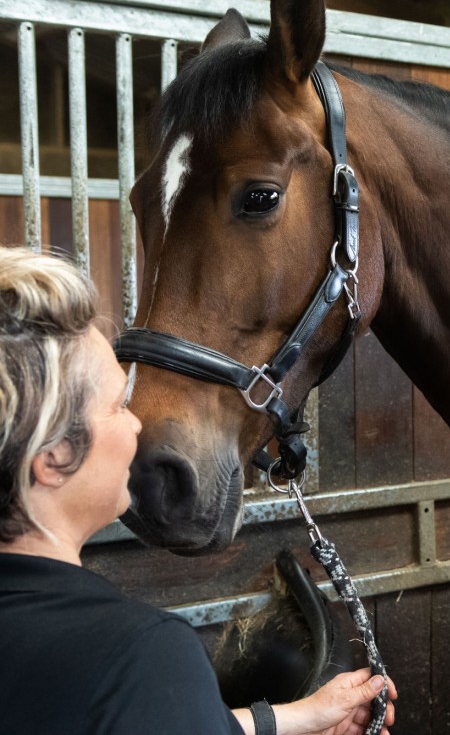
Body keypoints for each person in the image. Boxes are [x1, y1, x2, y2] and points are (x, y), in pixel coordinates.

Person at [0, 245, 396, 735]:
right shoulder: (141, 655)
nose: (137, 424)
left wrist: (298, 719)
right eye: (117, 405)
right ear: (53, 455)